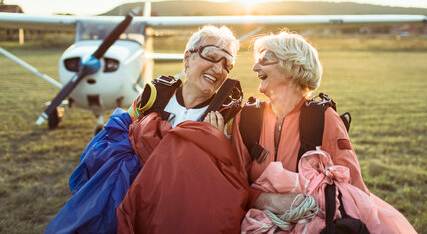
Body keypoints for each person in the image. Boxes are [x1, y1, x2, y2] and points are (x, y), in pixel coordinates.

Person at [46, 25, 244, 234]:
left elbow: (227, 180)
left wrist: (217, 147)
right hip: (132, 204)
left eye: (227, 64)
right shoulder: (151, 99)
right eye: (211, 56)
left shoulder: (226, 117)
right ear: (187, 58)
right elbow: (116, 146)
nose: (218, 68)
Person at [231, 30, 369, 214]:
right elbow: (232, 185)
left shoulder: (323, 118)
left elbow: (352, 189)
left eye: (265, 59)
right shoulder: (247, 118)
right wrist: (267, 200)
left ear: (291, 68)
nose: (255, 67)